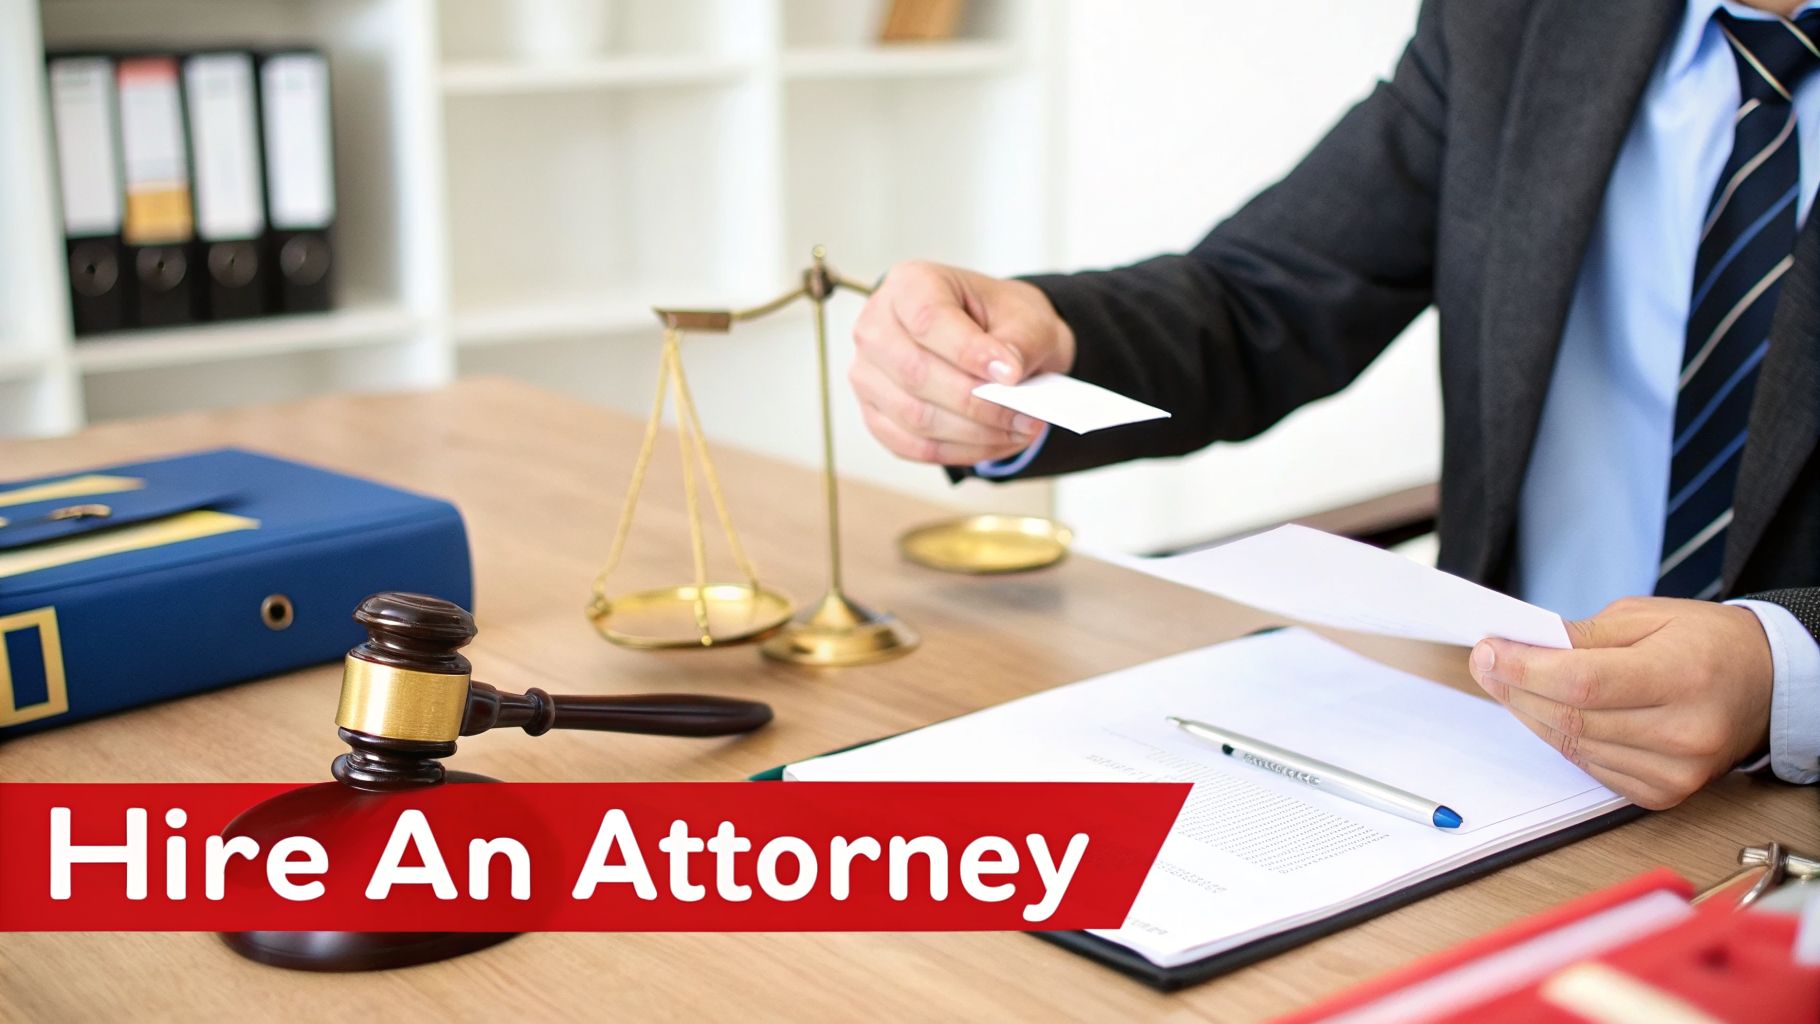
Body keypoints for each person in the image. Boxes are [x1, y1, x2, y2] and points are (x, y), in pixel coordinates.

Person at [845, 0, 1820, 810]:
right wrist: (1040, 346)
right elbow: (1262, 295)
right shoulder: (1517, 17)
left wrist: (1785, 674)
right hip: (1498, 753)